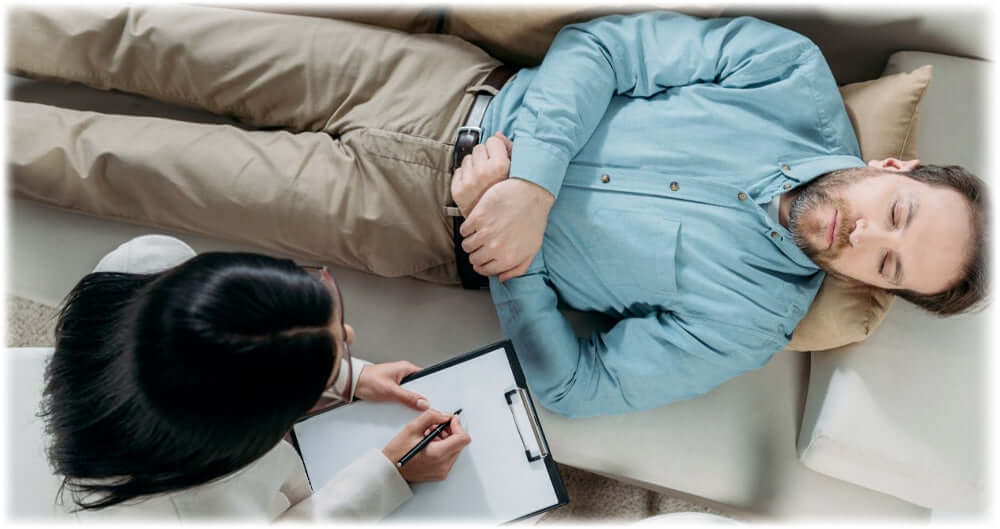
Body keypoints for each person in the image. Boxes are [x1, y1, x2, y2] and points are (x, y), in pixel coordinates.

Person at [9, 7, 990, 418]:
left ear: (870, 288)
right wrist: (531, 179)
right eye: (897, 213)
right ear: (891, 165)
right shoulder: (789, 74)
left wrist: (514, 259)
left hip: (397, 218)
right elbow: (606, 48)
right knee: (143, 34)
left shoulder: (750, 322)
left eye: (890, 266)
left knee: (120, 166)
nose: (870, 238)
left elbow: (581, 388)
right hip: (431, 87)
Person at [40, 235, 471, 520]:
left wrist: (347, 375)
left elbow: (233, 348)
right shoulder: (196, 513)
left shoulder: (149, 262)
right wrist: (390, 473)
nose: (350, 334)